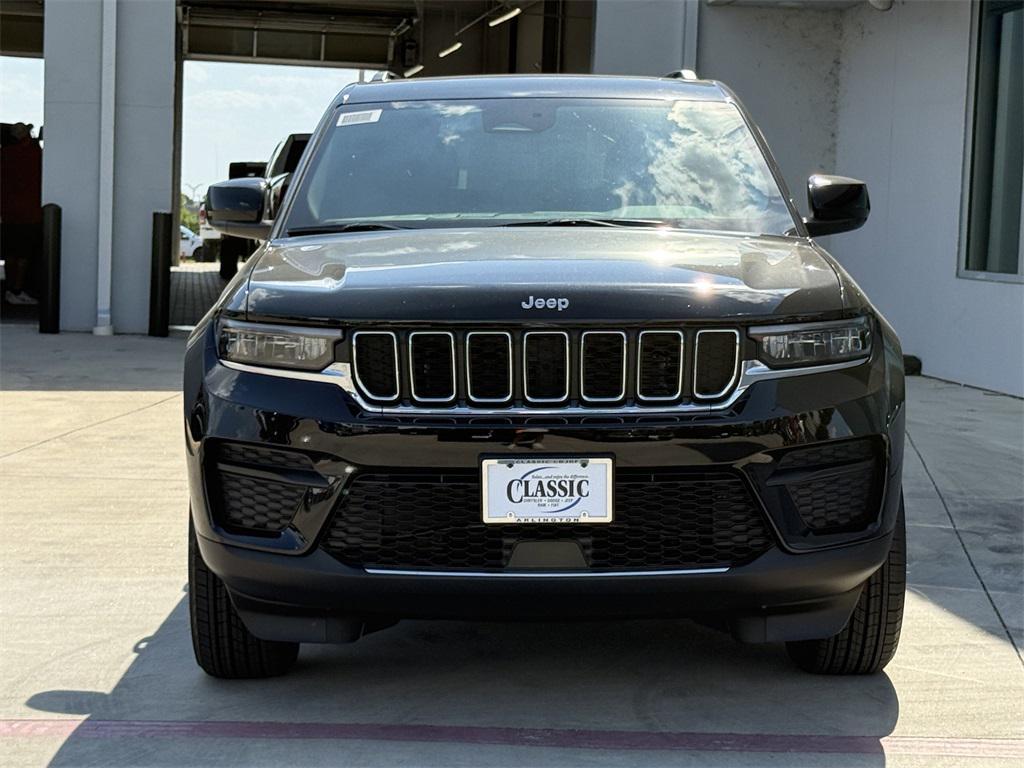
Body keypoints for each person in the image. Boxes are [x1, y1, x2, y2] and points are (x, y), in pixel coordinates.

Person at [1, 122, 43, 306]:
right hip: (29, 212)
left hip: (8, 212)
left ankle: (10, 288)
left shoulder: (4, 155)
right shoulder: (33, 154)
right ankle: (18, 290)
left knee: (10, 253)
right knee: (24, 254)